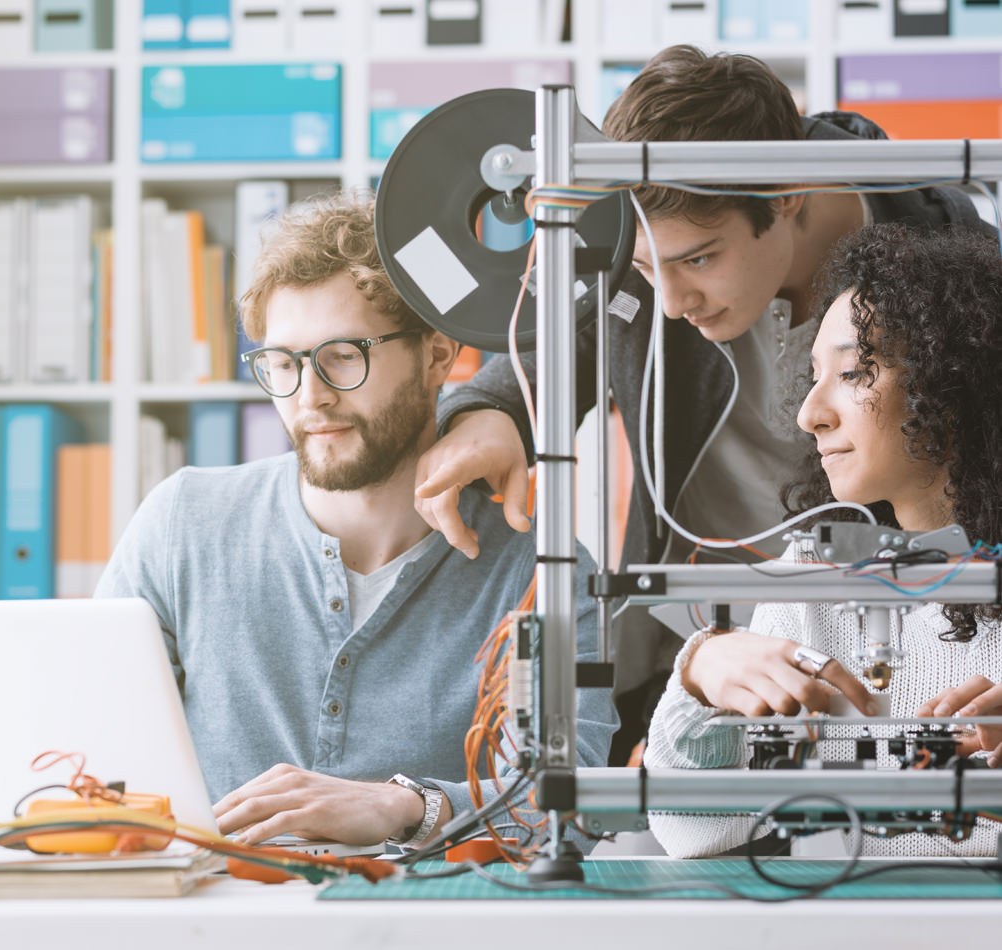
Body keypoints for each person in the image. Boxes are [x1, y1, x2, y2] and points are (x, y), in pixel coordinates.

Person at [412, 45, 994, 764]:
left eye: (698, 259)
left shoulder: (954, 263)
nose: (672, 300)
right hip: (695, 654)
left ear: (785, 198)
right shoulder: (641, 258)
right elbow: (540, 358)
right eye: (647, 267)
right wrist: (488, 416)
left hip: (898, 662)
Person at [94, 191, 615, 849]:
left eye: (343, 356)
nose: (310, 397)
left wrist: (406, 807)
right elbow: (88, 739)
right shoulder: (183, 526)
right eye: (283, 363)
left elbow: (568, 812)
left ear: (435, 354)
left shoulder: (542, 569)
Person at [645, 222, 1002, 858]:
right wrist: (700, 683)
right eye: (814, 376)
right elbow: (692, 830)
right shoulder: (815, 577)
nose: (811, 414)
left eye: (856, 371)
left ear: (956, 379)